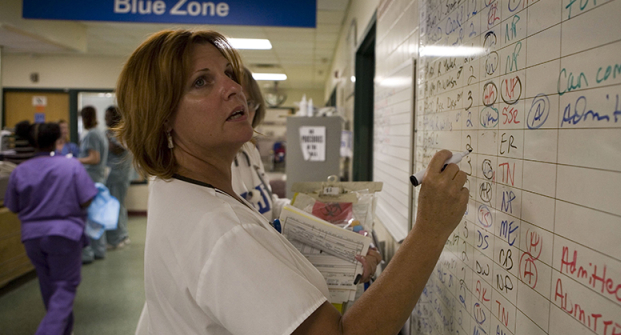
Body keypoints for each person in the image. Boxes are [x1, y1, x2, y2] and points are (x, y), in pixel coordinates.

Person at [117, 29, 468, 335]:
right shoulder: (220, 231)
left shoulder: (174, 189)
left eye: (227, 73)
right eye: (201, 82)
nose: (234, 87)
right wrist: (430, 229)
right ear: (162, 118)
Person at [230, 68, 381, 282]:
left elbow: (267, 206)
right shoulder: (210, 169)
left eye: (250, 104)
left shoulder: (248, 150)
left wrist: (316, 210)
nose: (245, 112)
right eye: (237, 104)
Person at [4, 122, 98, 335]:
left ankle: (65, 331)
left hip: (32, 238)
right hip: (64, 236)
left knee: (49, 287)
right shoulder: (71, 166)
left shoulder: (20, 171)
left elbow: (13, 206)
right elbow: (86, 199)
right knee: (65, 287)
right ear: (57, 141)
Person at [77, 106, 109, 263]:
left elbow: (94, 158)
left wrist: (75, 160)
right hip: (97, 179)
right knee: (97, 216)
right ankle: (99, 250)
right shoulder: (99, 133)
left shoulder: (91, 135)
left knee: (90, 217)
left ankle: (89, 253)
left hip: (90, 179)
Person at [104, 106, 132, 249]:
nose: (105, 119)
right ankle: (122, 235)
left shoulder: (120, 133)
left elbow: (118, 149)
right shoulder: (111, 133)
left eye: (108, 116)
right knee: (119, 205)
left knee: (114, 206)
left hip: (117, 176)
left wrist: (106, 140)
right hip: (115, 176)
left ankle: (116, 239)